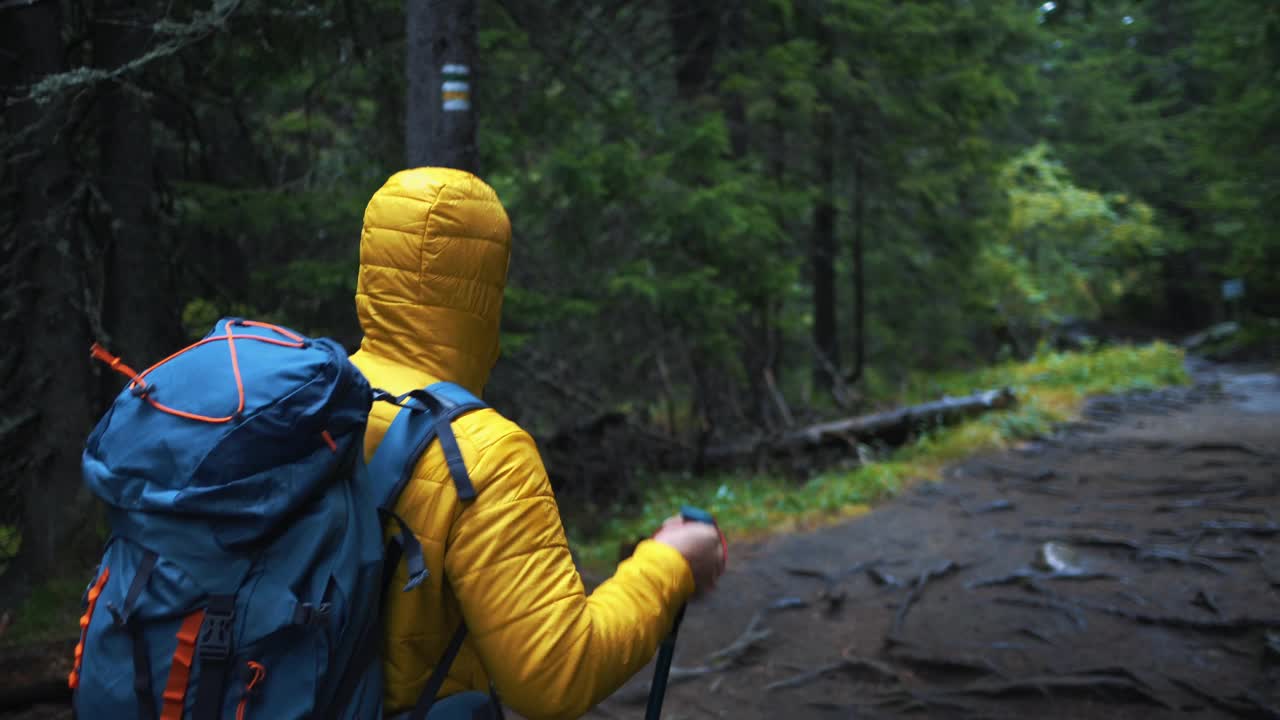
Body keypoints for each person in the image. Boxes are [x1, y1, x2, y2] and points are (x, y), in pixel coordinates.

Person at [349, 167, 726, 720]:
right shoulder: (483, 453)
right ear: (485, 281)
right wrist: (669, 565)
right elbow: (555, 678)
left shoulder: (318, 406)